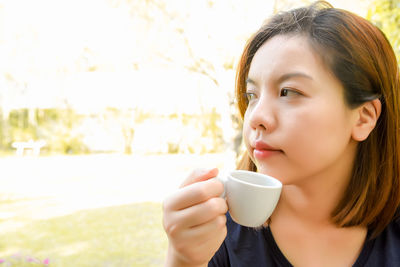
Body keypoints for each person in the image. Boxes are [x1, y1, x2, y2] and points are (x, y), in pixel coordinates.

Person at [162, 1, 400, 266]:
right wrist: (182, 259)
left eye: (288, 92)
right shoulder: (214, 234)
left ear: (364, 117)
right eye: (252, 95)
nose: (256, 118)